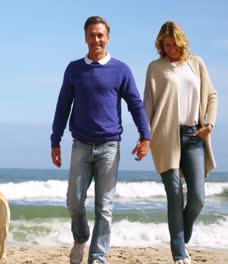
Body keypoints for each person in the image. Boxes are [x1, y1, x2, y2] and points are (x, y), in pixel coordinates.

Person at [50, 16, 151, 264]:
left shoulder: (121, 69)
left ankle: (97, 257)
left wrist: (145, 135)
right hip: (80, 145)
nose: (96, 39)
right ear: (85, 37)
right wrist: (55, 140)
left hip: (109, 146)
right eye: (91, 35)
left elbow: (135, 105)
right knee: (74, 201)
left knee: (104, 208)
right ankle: (81, 237)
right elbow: (63, 105)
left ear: (107, 37)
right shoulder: (74, 69)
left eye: (100, 35)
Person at [143, 21, 218, 264]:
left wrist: (210, 124)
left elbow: (211, 95)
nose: (171, 48)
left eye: (174, 43)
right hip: (165, 136)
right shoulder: (155, 68)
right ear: (161, 45)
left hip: (195, 135)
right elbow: (148, 105)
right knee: (174, 195)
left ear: (181, 41)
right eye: (166, 44)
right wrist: (145, 136)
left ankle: (180, 237)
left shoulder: (196, 63)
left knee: (197, 197)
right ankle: (178, 253)